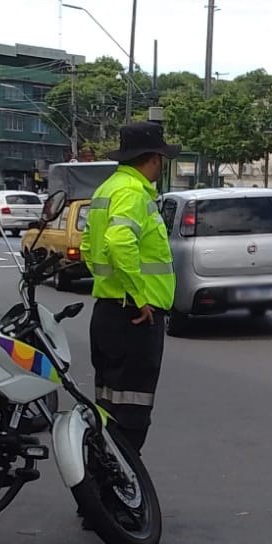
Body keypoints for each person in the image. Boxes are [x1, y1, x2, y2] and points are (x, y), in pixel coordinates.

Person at [83, 121, 177, 455]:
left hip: (109, 312)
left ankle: (103, 476)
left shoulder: (106, 189)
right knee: (132, 412)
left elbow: (88, 246)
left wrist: (111, 284)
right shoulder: (132, 193)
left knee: (108, 407)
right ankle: (122, 476)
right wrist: (138, 297)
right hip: (134, 316)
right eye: (161, 158)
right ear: (153, 158)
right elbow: (119, 241)